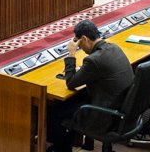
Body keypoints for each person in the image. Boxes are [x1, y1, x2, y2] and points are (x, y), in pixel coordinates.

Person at [46, 20, 134, 150]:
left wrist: (71, 54)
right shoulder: (114, 47)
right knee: (73, 100)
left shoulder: (94, 60)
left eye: (78, 43)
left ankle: (59, 149)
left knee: (57, 109)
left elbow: (70, 83)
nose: (79, 47)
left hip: (105, 116)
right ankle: (79, 143)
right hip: (122, 111)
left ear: (84, 39)